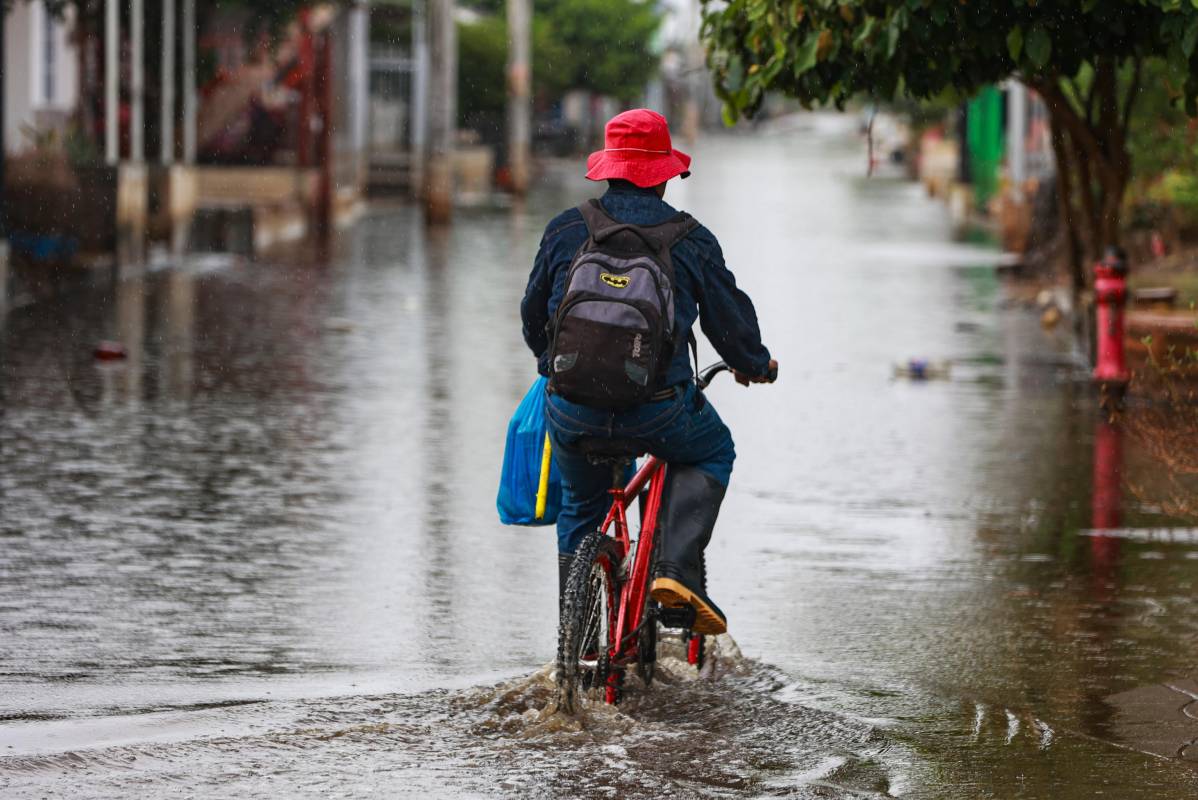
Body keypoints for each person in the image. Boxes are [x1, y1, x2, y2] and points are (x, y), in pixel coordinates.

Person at [521, 108, 777, 635]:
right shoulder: (690, 239)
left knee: (581, 505)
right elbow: (728, 326)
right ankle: (674, 568)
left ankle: (581, 638)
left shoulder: (567, 228)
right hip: (658, 411)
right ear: (664, 173)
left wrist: (553, 366)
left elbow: (532, 314)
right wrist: (754, 364)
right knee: (711, 449)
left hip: (572, 408)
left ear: (607, 168)